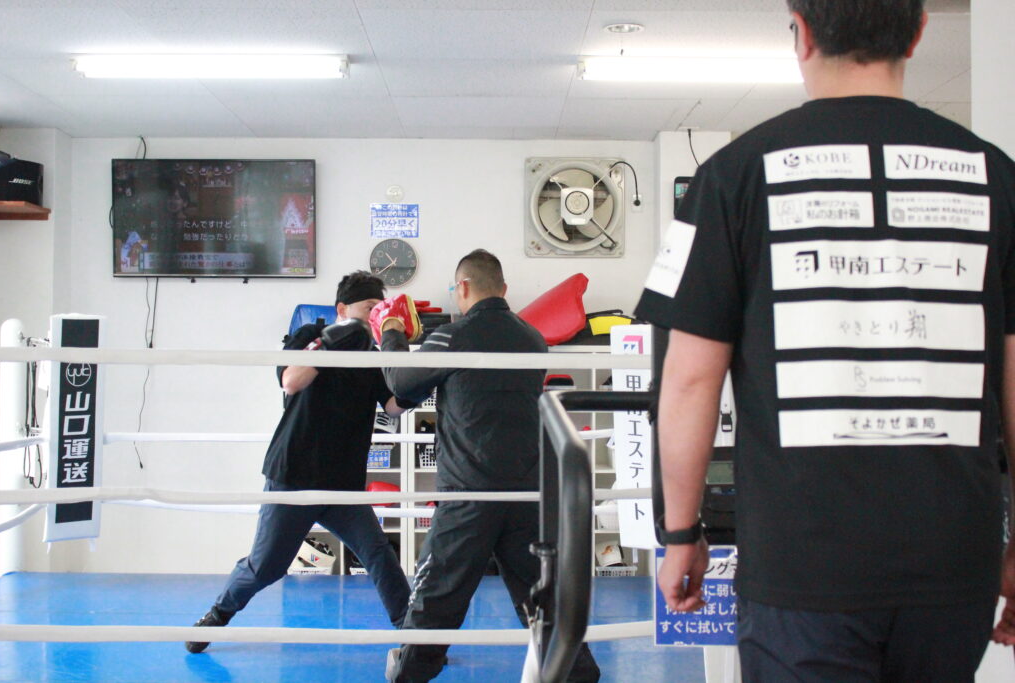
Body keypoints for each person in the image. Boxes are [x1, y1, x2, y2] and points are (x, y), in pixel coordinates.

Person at [634, 1, 1015, 680]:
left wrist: (681, 531)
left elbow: (689, 380)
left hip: (801, 567)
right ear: (918, 33)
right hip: (955, 561)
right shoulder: (996, 176)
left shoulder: (733, 175)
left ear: (802, 33)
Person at [370, 249, 600, 682]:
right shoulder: (533, 338)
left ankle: (408, 674)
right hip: (526, 490)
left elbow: (401, 384)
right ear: (504, 288)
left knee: (438, 594)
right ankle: (578, 673)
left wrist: (392, 330)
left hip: (469, 491)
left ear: (462, 287)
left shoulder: (454, 336)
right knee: (542, 594)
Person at [185, 271, 413, 653]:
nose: (375, 315)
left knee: (379, 553)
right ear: (343, 309)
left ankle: (414, 635)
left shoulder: (372, 358)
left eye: (380, 308)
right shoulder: (309, 335)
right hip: (294, 475)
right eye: (369, 308)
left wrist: (415, 386)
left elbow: (391, 405)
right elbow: (291, 381)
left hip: (342, 484)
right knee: (266, 566)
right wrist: (332, 344)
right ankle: (217, 615)